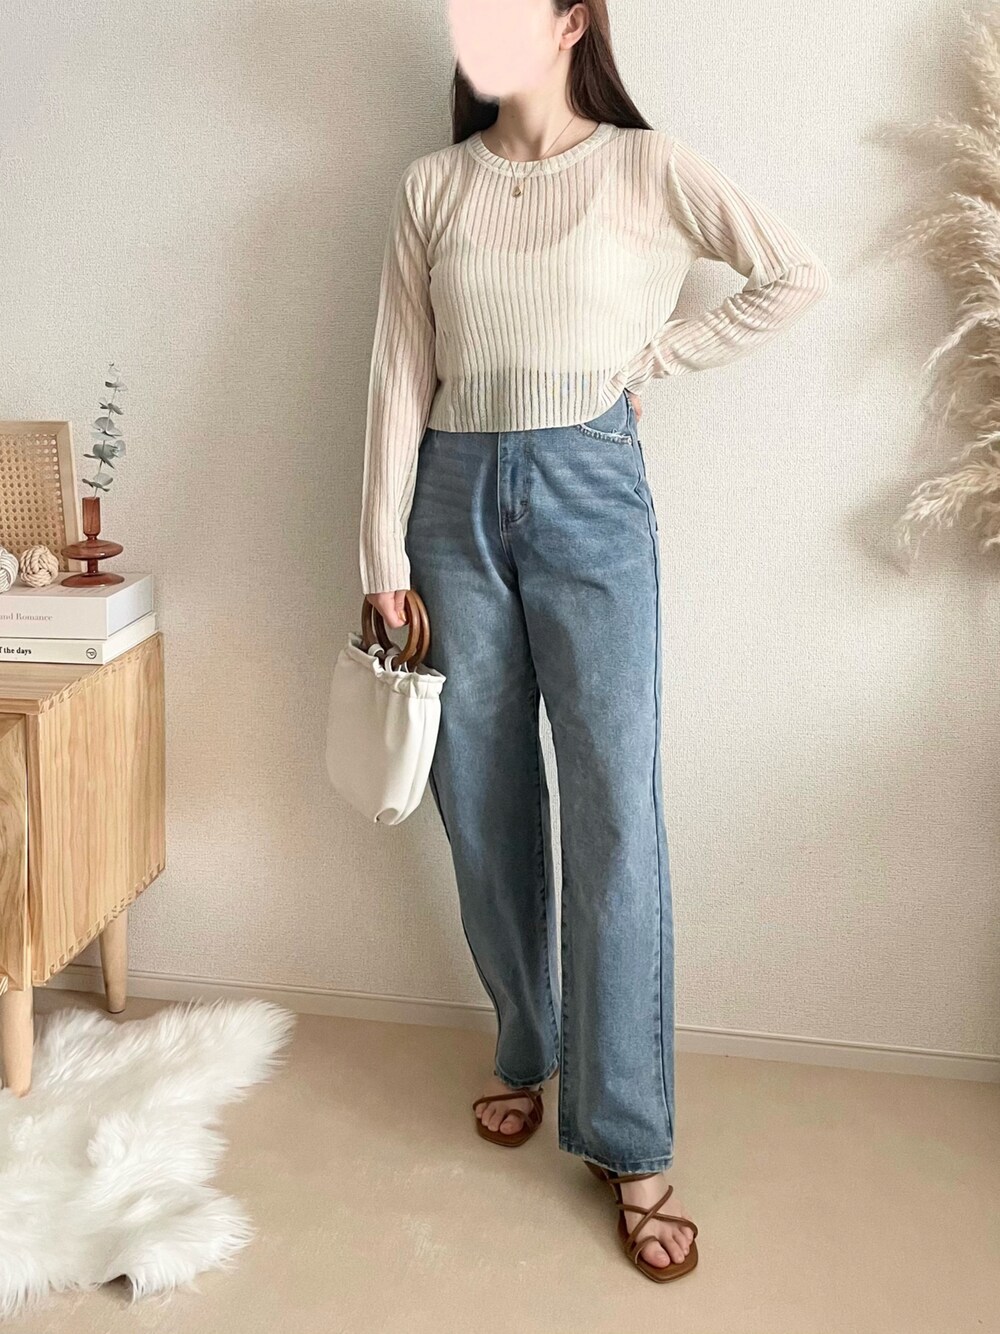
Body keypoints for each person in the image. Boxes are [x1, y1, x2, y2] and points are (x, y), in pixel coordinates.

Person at [357, 0, 830, 1282]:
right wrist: (379, 555)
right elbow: (399, 369)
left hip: (590, 489)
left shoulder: (646, 165)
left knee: (614, 805)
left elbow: (796, 272)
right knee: (481, 794)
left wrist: (658, 356)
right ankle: (526, 1044)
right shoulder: (432, 185)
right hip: (450, 498)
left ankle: (628, 1134)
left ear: (572, 21)